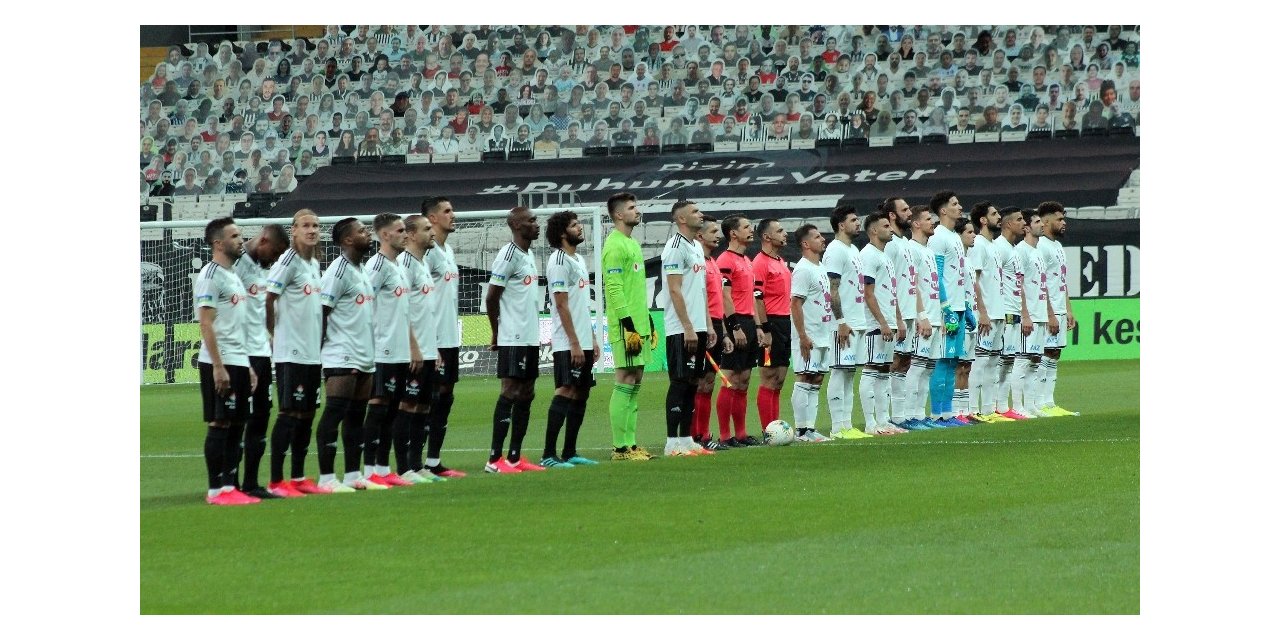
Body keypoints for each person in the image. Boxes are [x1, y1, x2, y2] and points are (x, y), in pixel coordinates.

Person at [196, 218, 261, 505]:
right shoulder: (211, 275)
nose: (240, 240)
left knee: (237, 424)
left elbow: (236, 326)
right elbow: (206, 324)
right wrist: (219, 366)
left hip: (237, 360)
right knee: (220, 423)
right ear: (218, 243)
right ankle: (215, 490)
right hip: (217, 362)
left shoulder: (233, 275)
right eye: (234, 236)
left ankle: (229, 487)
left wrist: (245, 364)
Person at [314, 218, 381, 492]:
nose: (368, 234)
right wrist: (320, 352)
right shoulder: (337, 272)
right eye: (362, 231)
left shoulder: (362, 269)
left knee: (356, 416)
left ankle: (353, 475)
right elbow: (321, 312)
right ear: (347, 240)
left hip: (364, 354)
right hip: (341, 353)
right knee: (334, 413)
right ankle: (327, 479)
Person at [264, 210, 324, 498]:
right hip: (292, 351)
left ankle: (298, 476)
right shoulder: (287, 261)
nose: (311, 230)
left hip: (312, 353)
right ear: (294, 231)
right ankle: (277, 480)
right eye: (305, 226)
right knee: (289, 413)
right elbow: (269, 297)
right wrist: (272, 333)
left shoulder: (313, 263)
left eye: (315, 226)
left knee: (307, 414)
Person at [360, 213, 423, 488]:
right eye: (399, 231)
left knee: (392, 410)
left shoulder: (396, 265)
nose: (405, 235)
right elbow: (363, 305)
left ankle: (384, 470)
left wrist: (411, 346)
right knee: (378, 408)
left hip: (398, 350)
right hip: (381, 350)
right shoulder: (376, 266)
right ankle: (369, 468)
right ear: (384, 235)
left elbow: (403, 311)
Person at [483, 207, 546, 474]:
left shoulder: (528, 254)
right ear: (517, 225)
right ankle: (494, 459)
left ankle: (514, 457)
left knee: (527, 393)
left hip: (530, 336)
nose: (536, 224)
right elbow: (491, 297)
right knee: (510, 391)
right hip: (513, 336)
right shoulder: (508, 256)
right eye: (531, 220)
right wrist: (497, 332)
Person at [231, 224, 289, 500]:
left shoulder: (262, 269)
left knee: (260, 418)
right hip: (242, 355)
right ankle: (228, 484)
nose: (275, 259)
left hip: (262, 353)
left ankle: (252, 483)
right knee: (238, 420)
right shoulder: (236, 266)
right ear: (263, 239)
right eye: (274, 252)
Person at [541, 211, 602, 468]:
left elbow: (579, 306)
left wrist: (592, 339)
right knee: (565, 389)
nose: (581, 228)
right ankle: (548, 455)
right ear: (563, 232)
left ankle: (570, 452)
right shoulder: (558, 261)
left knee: (581, 392)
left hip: (582, 340)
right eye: (575, 225)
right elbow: (562, 305)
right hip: (567, 342)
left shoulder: (576, 259)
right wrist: (575, 343)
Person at [413, 197, 466, 478]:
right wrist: (429, 342)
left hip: (449, 337)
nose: (452, 215)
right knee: (426, 399)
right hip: (431, 340)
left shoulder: (447, 251)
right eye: (447, 211)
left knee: (445, 397)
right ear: (432, 218)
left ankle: (433, 460)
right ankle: (415, 462)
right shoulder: (428, 253)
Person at [602, 192, 657, 461]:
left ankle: (632, 444)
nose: (638, 211)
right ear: (618, 215)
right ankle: (620, 447)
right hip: (626, 327)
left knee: (635, 381)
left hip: (638, 324)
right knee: (624, 379)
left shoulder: (632, 244)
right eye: (632, 207)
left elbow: (635, 290)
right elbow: (612, 289)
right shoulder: (614, 245)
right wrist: (628, 325)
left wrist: (647, 322)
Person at [660, 201, 715, 457]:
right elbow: (674, 289)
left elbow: (700, 291)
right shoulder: (674, 247)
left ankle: (686, 439)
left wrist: (708, 325)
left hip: (699, 326)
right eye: (694, 211)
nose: (700, 214)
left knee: (694, 382)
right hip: (681, 328)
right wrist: (688, 327)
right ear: (681, 219)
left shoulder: (695, 246)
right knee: (680, 381)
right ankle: (672, 442)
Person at [821, 206, 877, 440]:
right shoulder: (835, 250)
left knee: (849, 372)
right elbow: (832, 289)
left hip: (857, 320)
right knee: (839, 370)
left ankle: (847, 424)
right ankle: (837, 427)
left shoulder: (853, 249)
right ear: (841, 225)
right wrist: (841, 321)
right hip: (842, 323)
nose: (858, 223)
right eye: (853, 220)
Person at [714, 215, 767, 448]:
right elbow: (725, 295)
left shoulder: (746, 260)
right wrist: (734, 327)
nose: (751, 229)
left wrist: (758, 327)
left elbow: (752, 298)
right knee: (730, 379)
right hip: (734, 322)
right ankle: (725, 436)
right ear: (733, 233)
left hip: (748, 323)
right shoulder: (725, 259)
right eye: (746, 226)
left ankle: (742, 434)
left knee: (744, 379)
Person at [751, 218, 801, 439]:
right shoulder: (760, 262)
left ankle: (775, 429)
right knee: (769, 377)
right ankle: (767, 431)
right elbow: (757, 297)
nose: (785, 234)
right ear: (766, 237)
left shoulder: (780, 261)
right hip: (770, 322)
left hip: (784, 322)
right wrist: (764, 328)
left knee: (779, 378)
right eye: (779, 231)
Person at [926, 191, 972, 426]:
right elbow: (938, 276)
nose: (959, 206)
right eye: (954, 204)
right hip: (947, 311)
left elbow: (958, 278)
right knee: (942, 361)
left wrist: (966, 308)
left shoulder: (954, 236)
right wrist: (946, 309)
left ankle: (947, 412)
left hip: (958, 308)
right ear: (943, 210)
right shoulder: (938, 237)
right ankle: (937, 414)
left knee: (953, 361)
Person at [787, 223, 836, 440]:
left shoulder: (820, 267)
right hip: (809, 335)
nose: (823, 239)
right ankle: (801, 430)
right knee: (804, 376)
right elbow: (795, 304)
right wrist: (803, 336)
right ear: (806, 244)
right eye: (817, 237)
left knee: (816, 379)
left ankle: (810, 428)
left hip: (823, 333)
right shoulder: (803, 269)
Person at [966, 202, 1012, 423]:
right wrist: (982, 312)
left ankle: (989, 409)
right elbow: (973, 280)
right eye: (994, 214)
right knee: (980, 362)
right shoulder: (979, 246)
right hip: (985, 314)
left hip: (998, 311)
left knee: (993, 362)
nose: (998, 217)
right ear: (983, 220)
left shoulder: (993, 246)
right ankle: (973, 409)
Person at [691, 214, 733, 451]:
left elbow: (717, 302)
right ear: (699, 235)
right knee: (697, 382)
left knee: (708, 382)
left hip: (716, 325)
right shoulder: (697, 264)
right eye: (713, 232)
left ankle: (704, 435)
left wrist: (724, 331)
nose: (718, 236)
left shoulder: (713, 263)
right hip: (701, 326)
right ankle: (694, 436)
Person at [1033, 201, 1078, 417]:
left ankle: (1049, 402)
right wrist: (1050, 312)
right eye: (1059, 219)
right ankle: (1038, 402)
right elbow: (1041, 282)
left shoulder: (1057, 247)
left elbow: (1061, 280)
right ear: (1046, 221)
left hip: (1059, 309)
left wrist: (1068, 309)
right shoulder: (1040, 246)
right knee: (1044, 353)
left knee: (1054, 354)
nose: (1063, 223)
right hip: (1046, 311)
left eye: (1063, 218)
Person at [859, 211, 902, 435]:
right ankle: (870, 423)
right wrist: (883, 322)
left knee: (885, 369)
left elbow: (890, 293)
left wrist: (897, 320)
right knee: (872, 368)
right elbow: (868, 293)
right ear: (874, 230)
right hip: (874, 324)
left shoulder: (884, 256)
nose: (891, 229)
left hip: (887, 322)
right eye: (886, 226)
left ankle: (884, 421)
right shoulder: (868, 255)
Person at [1010, 210, 1052, 419]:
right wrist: (1025, 315)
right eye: (1036, 222)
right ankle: (1017, 406)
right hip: (1029, 315)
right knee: (1022, 360)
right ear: (1026, 228)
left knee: (1035, 361)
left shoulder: (1037, 252)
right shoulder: (1021, 252)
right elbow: (1019, 287)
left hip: (1040, 313)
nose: (1041, 225)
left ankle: (1031, 404)